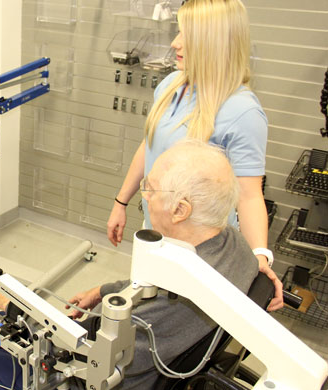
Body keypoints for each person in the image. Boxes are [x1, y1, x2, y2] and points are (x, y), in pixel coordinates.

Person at [0, 140, 260, 390]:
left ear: (180, 209)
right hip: (128, 362)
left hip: (90, 385)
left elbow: (83, 356)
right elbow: (151, 282)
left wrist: (13, 305)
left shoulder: (169, 306)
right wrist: (101, 291)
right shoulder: (234, 246)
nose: (145, 197)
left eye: (150, 189)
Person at [106, 0, 283, 311]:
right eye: (178, 31)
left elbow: (250, 195)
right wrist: (120, 203)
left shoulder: (242, 111)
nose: (175, 42)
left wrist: (259, 258)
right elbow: (149, 146)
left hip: (200, 251)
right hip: (157, 231)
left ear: (215, 43)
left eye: (187, 35)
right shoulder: (169, 86)